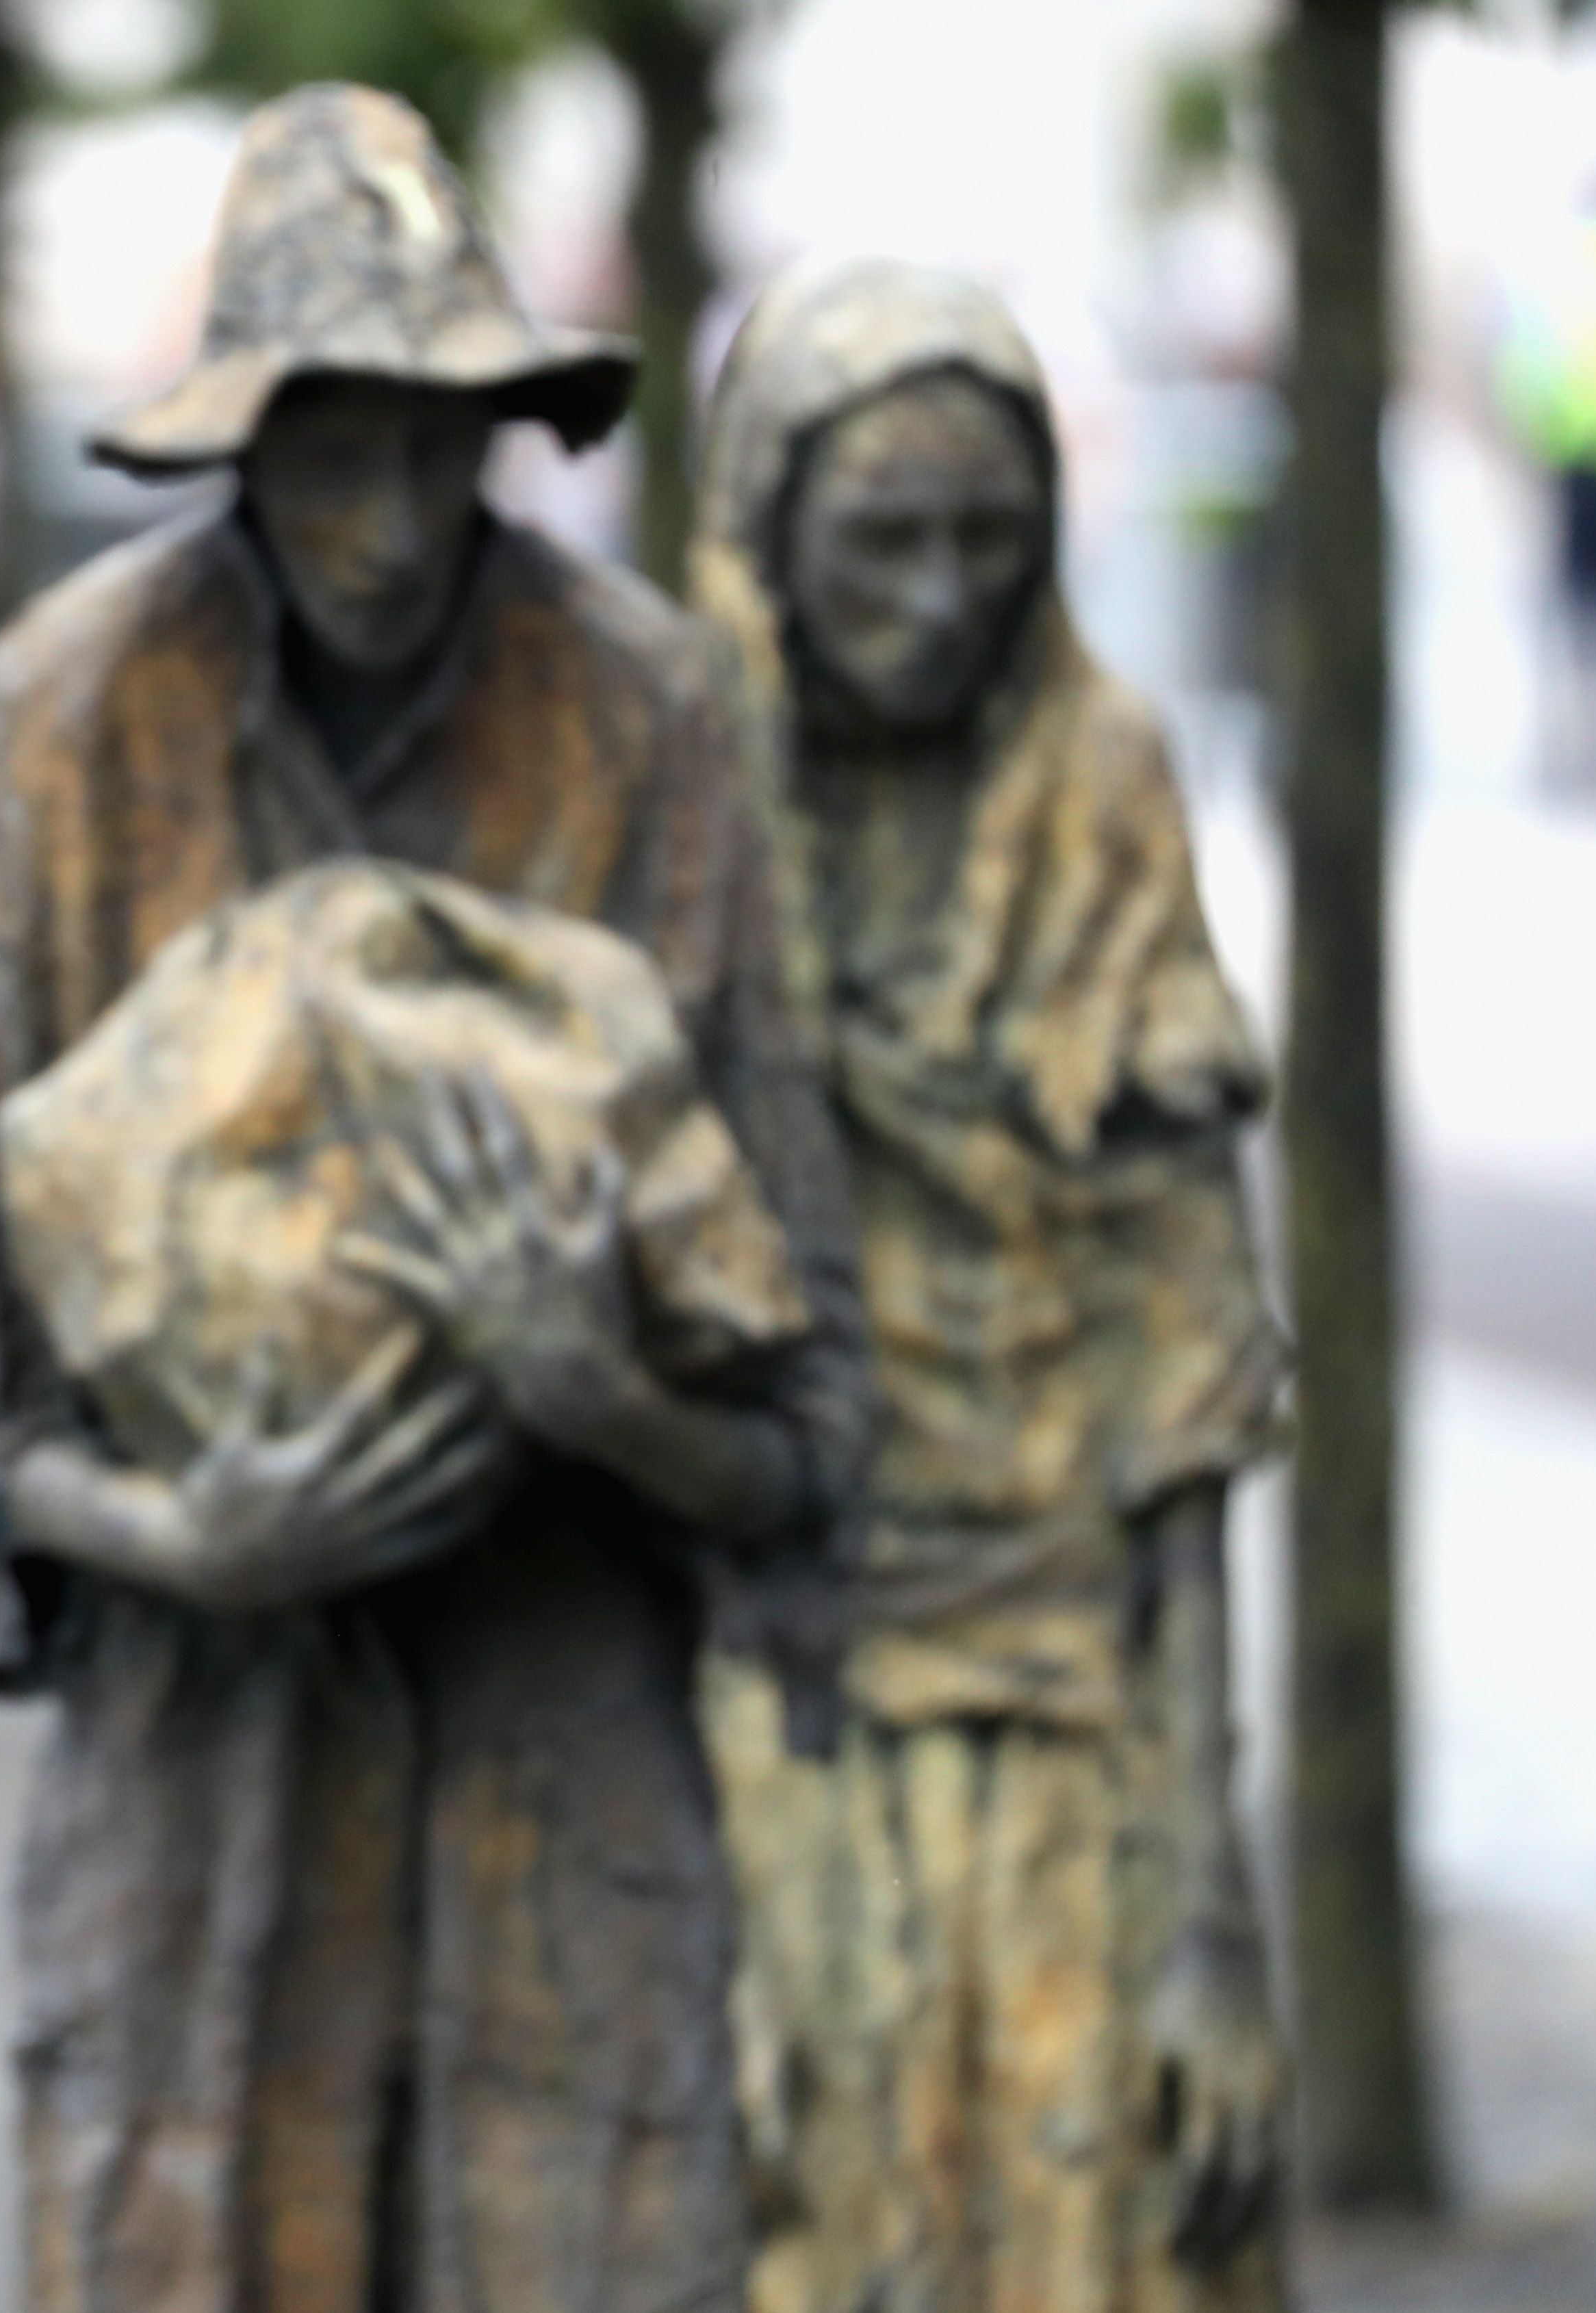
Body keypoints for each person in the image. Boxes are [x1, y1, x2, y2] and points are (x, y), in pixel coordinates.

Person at [0, 86, 868, 2313]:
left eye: (448, 439)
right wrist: (187, 1535)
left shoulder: (645, 712)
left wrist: (597, 1387)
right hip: (197, 1768)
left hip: (566, 1762)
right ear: (240, 441)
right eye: (337, 442)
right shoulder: (73, 717)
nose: (398, 512)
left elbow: (813, 1423)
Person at [688, 259, 1289, 2313]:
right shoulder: (682, 802)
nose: (941, 592)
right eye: (883, 536)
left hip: (1080, 1709)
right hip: (778, 1712)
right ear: (769, 531)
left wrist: (1219, 1919)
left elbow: (1188, 1382)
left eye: (987, 535)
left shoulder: (1101, 787)